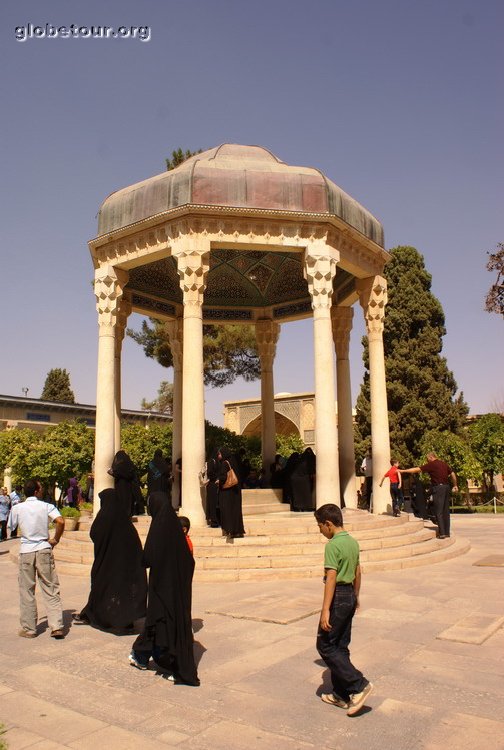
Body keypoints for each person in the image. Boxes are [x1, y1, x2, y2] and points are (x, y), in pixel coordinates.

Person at [128, 491, 200, 685]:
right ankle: (142, 656)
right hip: (178, 592)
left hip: (161, 589)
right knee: (168, 625)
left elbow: (148, 558)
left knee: (158, 623)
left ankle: (161, 662)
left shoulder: (159, 528)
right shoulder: (177, 532)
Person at [314, 503, 373, 716]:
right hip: (349, 594)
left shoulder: (332, 545)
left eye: (320, 525)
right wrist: (356, 596)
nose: (320, 530)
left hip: (337, 596)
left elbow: (331, 577)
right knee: (341, 645)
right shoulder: (352, 542)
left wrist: (325, 610)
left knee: (326, 646)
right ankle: (340, 694)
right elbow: (358, 571)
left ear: (328, 524)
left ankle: (358, 685)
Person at [72, 488, 147, 630]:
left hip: (106, 563)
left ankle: (99, 615)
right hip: (124, 566)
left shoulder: (103, 517)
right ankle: (125, 619)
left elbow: (94, 534)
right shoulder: (125, 521)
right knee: (121, 590)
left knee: (102, 587)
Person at [8, 479, 65, 639]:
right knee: (50, 587)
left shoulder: (18, 508)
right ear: (36, 491)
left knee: (26, 589)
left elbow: (12, 527)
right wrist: (56, 539)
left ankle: (30, 628)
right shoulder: (46, 506)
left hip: (26, 550)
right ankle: (56, 626)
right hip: (43, 548)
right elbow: (60, 521)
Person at [401, 452, 458, 539]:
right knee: (446, 511)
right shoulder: (444, 463)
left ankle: (442, 533)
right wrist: (455, 485)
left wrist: (403, 471)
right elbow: (453, 474)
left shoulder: (432, 465)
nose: (427, 461)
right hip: (446, 488)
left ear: (431, 457)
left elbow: (417, 469)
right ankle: (447, 532)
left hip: (438, 488)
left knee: (438, 511)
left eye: (427, 459)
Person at [217, 447, 245, 539]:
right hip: (235, 492)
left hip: (226, 492)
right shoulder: (234, 462)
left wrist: (218, 481)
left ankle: (229, 531)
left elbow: (223, 477)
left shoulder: (225, 463)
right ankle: (238, 531)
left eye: (220, 454)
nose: (219, 456)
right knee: (235, 511)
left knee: (227, 511)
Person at [108, 450, 145, 516]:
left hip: (120, 487)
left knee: (122, 504)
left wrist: (113, 473)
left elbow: (120, 472)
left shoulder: (121, 465)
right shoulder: (129, 463)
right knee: (127, 504)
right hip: (128, 488)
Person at [205, 450, 220, 528]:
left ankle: (214, 520)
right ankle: (213, 521)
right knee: (212, 503)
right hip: (212, 485)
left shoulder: (215, 461)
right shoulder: (212, 461)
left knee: (214, 503)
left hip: (214, 484)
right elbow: (210, 473)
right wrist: (216, 478)